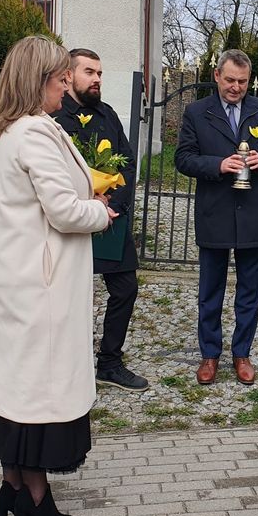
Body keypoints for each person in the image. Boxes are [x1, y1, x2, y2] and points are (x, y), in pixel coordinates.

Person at [0, 36, 117, 516]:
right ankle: (35, 498)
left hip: (20, 278)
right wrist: (100, 212)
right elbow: (61, 211)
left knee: (18, 387)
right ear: (38, 82)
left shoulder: (10, 131)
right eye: (61, 81)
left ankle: (14, 489)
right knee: (37, 391)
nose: (66, 90)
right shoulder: (34, 133)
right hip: (41, 283)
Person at [175, 49, 258, 385]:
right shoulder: (198, 112)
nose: (236, 87)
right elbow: (183, 158)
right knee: (210, 291)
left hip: (254, 215)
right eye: (230, 80)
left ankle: (242, 354)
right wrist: (217, 165)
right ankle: (209, 355)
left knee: (249, 291)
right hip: (215, 214)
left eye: (242, 81)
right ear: (216, 76)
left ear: (248, 80)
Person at [53, 48, 149, 393]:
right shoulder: (55, 117)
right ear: (68, 76)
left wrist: (113, 206)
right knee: (69, 296)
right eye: (89, 72)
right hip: (72, 221)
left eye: (100, 73)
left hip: (110, 219)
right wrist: (86, 203)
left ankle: (109, 363)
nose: (96, 79)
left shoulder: (107, 114)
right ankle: (66, 368)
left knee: (125, 289)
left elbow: (127, 165)